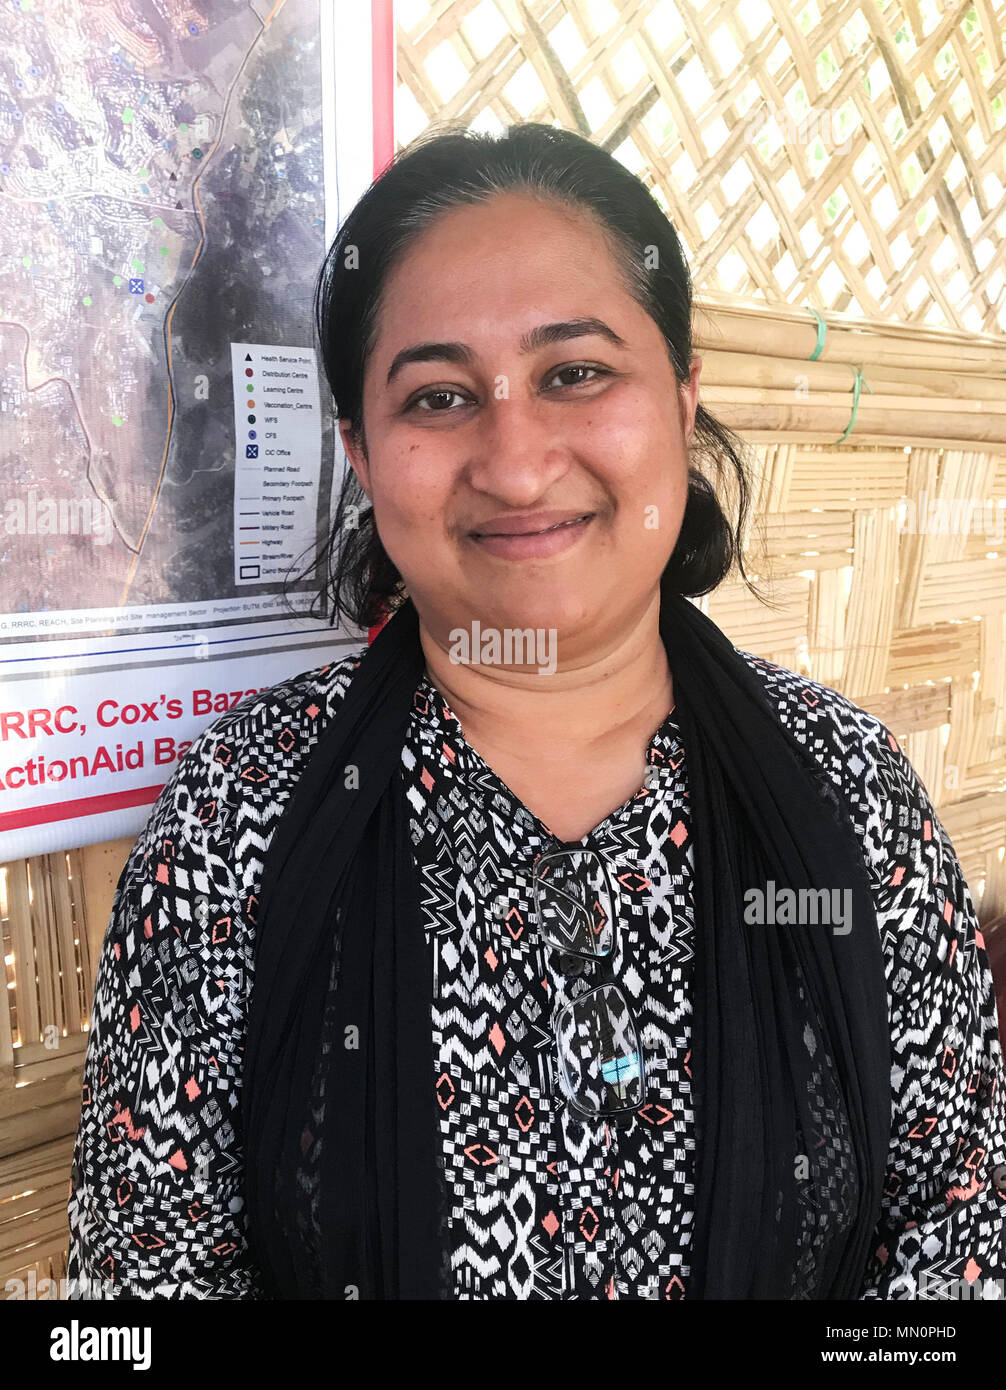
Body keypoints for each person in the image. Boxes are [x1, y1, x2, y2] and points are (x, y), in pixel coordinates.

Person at [66, 121, 1006, 1300]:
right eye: (440, 396)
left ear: (680, 395)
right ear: (361, 453)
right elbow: (144, 1290)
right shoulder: (239, 820)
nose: (513, 462)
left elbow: (958, 1233)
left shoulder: (843, 788)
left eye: (574, 373)